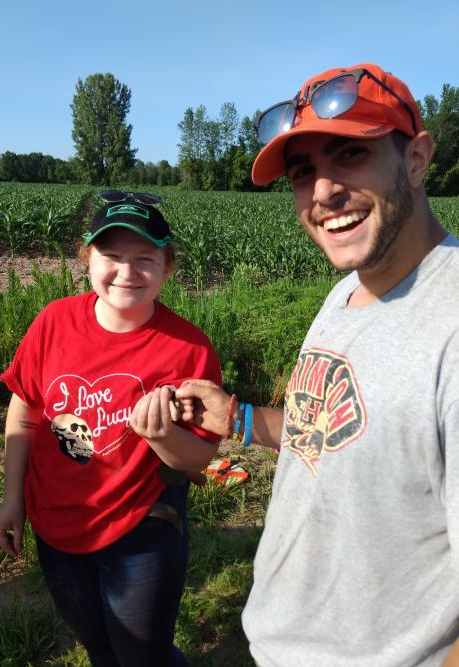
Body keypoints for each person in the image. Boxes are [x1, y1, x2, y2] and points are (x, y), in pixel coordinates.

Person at [176, 63, 459, 666]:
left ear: (415, 159)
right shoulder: (351, 287)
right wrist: (242, 419)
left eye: (349, 156)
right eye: (303, 173)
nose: (322, 192)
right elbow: (339, 433)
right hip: (283, 641)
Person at [0, 197, 222, 667]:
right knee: (97, 644)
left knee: (142, 655)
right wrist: (11, 499)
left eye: (145, 259)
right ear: (87, 258)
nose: (126, 271)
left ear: (167, 266)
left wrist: (159, 436)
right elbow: (25, 412)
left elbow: (198, 460)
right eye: (112, 256)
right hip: (55, 525)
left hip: (141, 525)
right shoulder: (53, 322)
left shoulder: (189, 348)